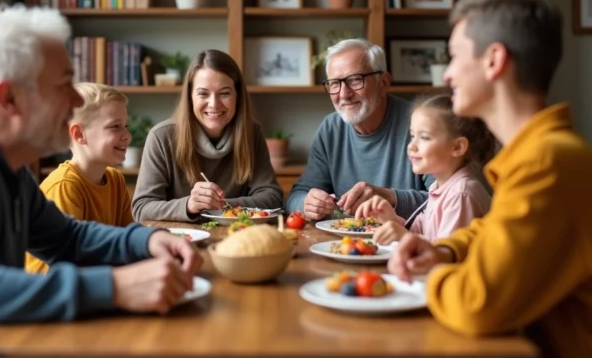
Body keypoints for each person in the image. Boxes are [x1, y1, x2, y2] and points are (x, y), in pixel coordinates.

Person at [0, 5, 202, 358]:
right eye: (63, 85)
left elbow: (68, 238)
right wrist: (114, 286)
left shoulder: (7, 169)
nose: (75, 100)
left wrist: (146, 241)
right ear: (9, 98)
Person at [388, 0, 592, 357]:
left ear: (494, 60)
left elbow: (477, 306)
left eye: (454, 56)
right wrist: (445, 253)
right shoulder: (541, 152)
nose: (447, 73)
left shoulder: (547, 162)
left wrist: (426, 276)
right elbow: (496, 230)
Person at [285, 39, 432, 221]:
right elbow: (295, 196)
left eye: (355, 80)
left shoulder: (422, 123)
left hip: (410, 242)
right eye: (334, 83)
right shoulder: (330, 129)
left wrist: (390, 198)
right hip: (347, 244)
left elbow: (451, 199)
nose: (344, 94)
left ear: (383, 82)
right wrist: (307, 203)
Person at [132, 49, 284, 222]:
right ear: (190, 97)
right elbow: (142, 208)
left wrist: (218, 206)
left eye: (224, 93)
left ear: (238, 96)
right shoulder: (161, 137)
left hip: (237, 238)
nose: (214, 104)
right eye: (203, 93)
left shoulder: (252, 132)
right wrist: (189, 205)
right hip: (180, 241)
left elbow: (272, 198)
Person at [354, 94, 494, 245]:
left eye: (425, 137)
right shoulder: (439, 188)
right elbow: (422, 234)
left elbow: (445, 256)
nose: (411, 146)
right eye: (412, 135)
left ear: (457, 147)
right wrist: (390, 219)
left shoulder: (460, 195)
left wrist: (404, 237)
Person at [25, 82, 136, 274]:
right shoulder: (65, 186)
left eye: (125, 126)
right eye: (115, 127)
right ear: (79, 134)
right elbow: (65, 265)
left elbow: (127, 241)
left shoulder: (115, 180)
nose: (127, 135)